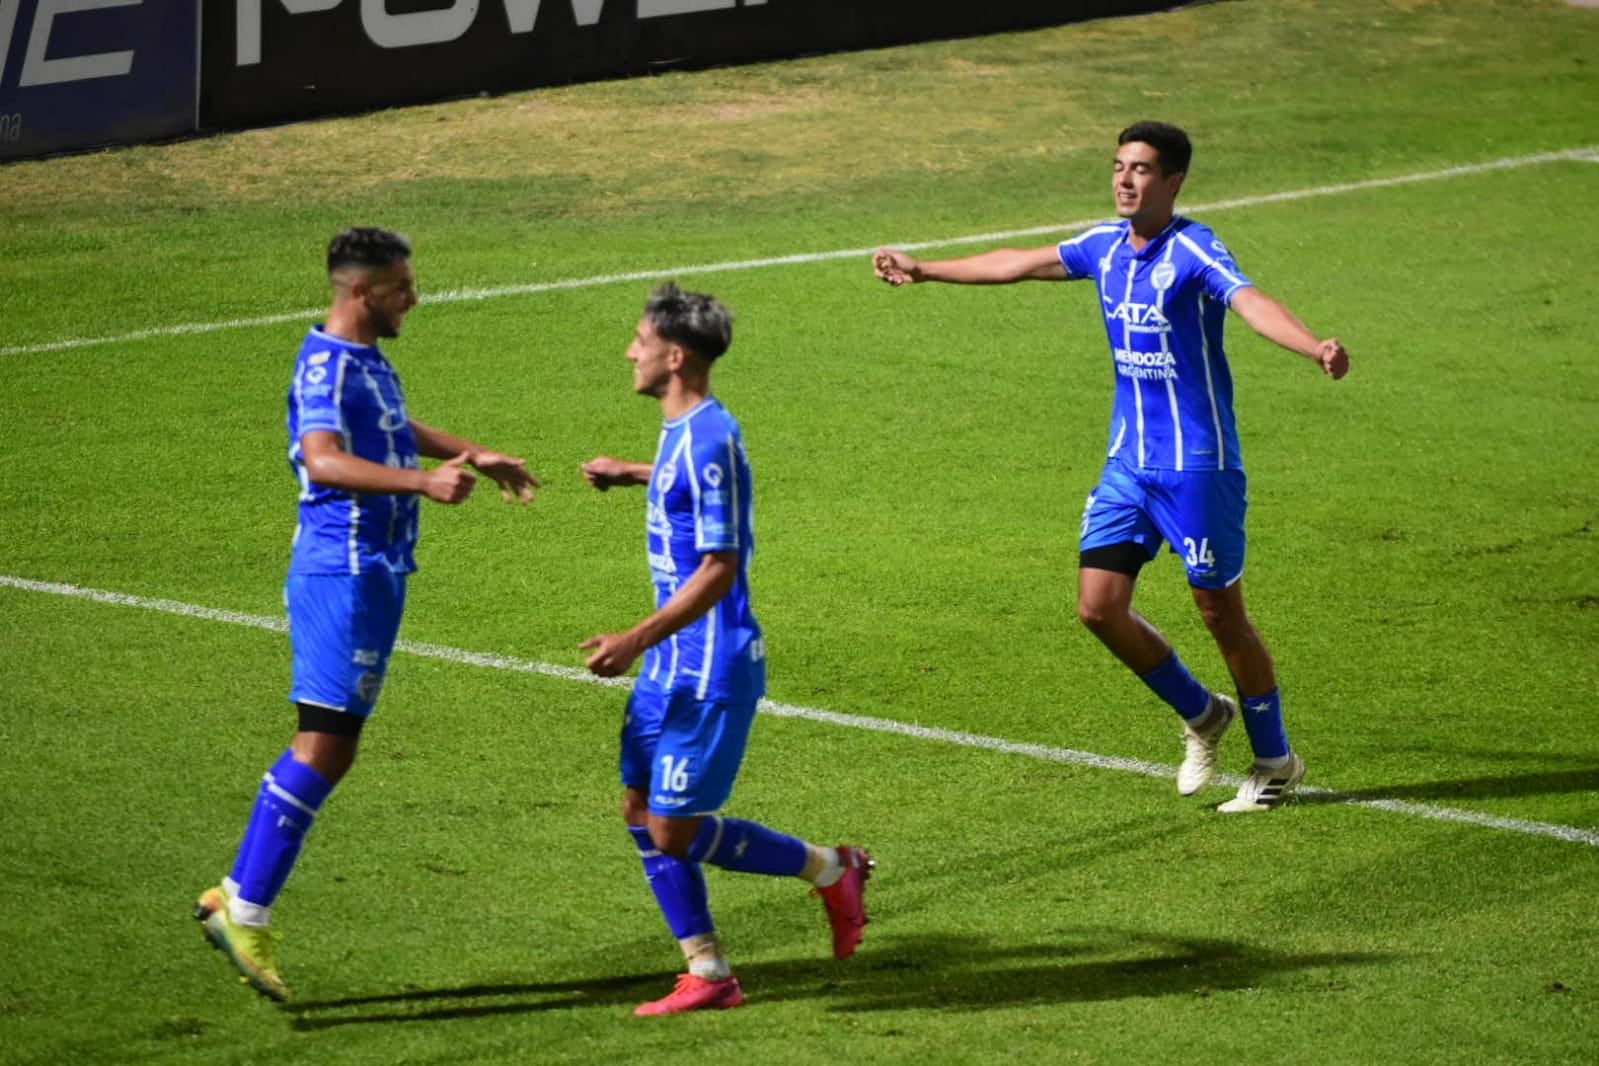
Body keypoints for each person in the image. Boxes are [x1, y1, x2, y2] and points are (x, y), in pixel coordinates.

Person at [872, 121, 1349, 814]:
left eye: (1142, 170)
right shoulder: (1102, 247)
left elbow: (1249, 301)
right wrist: (925, 269)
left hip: (1196, 470)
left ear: (1174, 181)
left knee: (1220, 615)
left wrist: (1311, 347)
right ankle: (1203, 714)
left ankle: (1274, 760)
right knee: (1097, 608)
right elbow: (1016, 262)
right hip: (1128, 463)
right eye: (1119, 167)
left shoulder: (1191, 249)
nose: (1125, 180)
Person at [194, 226, 539, 1002]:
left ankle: (236, 897)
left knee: (333, 745)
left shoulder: (364, 360)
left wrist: (472, 450)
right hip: (340, 571)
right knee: (322, 745)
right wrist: (420, 484)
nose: (413, 297)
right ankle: (241, 906)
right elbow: (321, 457)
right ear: (361, 291)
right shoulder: (323, 364)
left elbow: (387, 424)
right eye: (401, 287)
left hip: (374, 570)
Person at [579, 282, 871, 1016]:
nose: (629, 352)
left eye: (639, 341)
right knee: (638, 809)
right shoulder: (682, 433)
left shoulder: (708, 438)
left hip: (707, 666)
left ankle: (831, 868)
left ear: (673, 356)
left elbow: (719, 566)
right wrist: (637, 477)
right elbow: (698, 486)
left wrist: (631, 637)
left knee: (672, 830)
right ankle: (707, 971)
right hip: (668, 666)